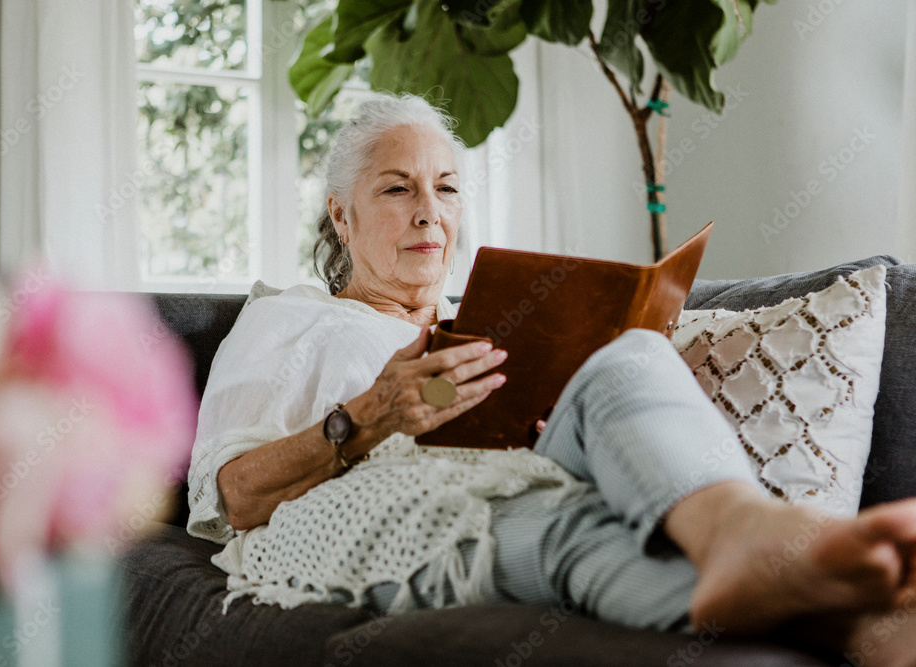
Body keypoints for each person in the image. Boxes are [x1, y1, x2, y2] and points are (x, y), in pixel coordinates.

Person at [187, 93, 916, 661]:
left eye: (446, 188)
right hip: (365, 505)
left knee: (631, 356)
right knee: (575, 531)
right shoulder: (290, 320)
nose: (430, 213)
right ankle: (870, 622)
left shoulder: (489, 323)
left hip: (522, 472)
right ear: (340, 217)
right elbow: (232, 496)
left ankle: (743, 531)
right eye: (397, 190)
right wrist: (373, 411)